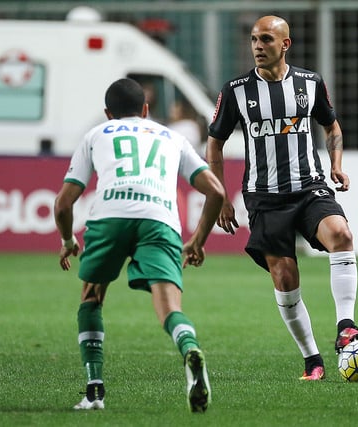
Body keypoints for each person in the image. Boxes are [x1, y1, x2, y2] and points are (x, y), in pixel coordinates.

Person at [206, 15, 358, 381]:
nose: (257, 47)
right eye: (253, 40)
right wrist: (219, 197)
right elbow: (214, 143)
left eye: (265, 39)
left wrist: (336, 164)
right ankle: (312, 360)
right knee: (284, 275)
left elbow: (332, 126)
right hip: (264, 197)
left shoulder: (310, 83)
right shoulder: (235, 90)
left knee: (341, 235)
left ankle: (346, 326)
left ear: (285, 44)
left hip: (310, 186)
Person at [54, 78, 224, 412]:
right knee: (170, 308)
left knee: (91, 298)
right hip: (159, 218)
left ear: (107, 113)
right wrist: (198, 242)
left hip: (110, 216)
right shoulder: (172, 137)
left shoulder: (96, 135)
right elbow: (216, 191)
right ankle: (189, 347)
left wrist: (66, 239)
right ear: (146, 110)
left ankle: (94, 392)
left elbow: (63, 204)